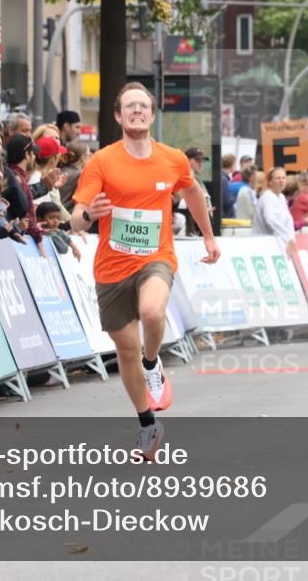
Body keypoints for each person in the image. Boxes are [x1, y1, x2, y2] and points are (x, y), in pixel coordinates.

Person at [70, 82, 219, 461]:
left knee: (153, 312)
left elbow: (192, 193)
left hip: (156, 257)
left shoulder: (173, 159)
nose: (136, 110)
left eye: (143, 105)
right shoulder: (102, 161)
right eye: (129, 106)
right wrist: (89, 215)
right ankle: (147, 424)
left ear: (152, 115)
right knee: (126, 349)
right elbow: (76, 218)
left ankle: (152, 363)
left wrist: (208, 236)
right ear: (118, 116)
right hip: (111, 267)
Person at [3, 134, 46, 255]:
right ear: (27, 154)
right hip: (15, 240)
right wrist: (39, 241)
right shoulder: (17, 178)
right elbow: (27, 214)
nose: (34, 157)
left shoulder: (14, 176)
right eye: (33, 153)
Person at [252, 167, 298, 257]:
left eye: (283, 178)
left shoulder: (281, 197)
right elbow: (271, 220)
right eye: (278, 178)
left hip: (277, 243)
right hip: (263, 244)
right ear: (270, 182)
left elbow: (288, 220)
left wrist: (291, 239)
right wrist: (287, 238)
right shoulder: (267, 197)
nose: (281, 181)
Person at [58, 141, 90, 211]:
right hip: (68, 214)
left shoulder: (59, 170)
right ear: (83, 157)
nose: (90, 158)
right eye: (89, 155)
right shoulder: (80, 175)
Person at [220, 153, 237, 219]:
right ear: (231, 164)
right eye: (235, 164)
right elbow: (227, 200)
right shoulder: (224, 179)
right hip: (226, 216)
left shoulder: (223, 177)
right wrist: (235, 197)